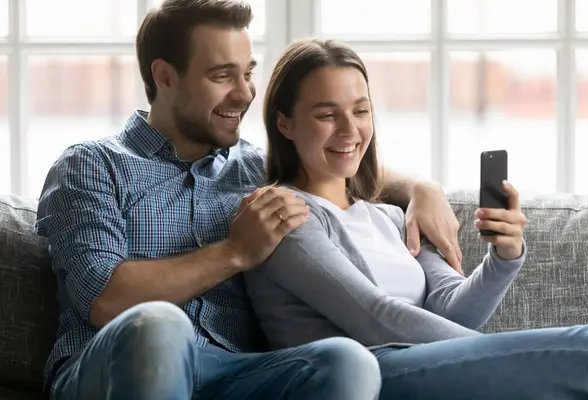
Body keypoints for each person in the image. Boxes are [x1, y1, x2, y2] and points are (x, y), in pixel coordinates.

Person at [34, 1, 464, 399]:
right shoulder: (92, 165)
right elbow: (105, 299)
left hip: (233, 372)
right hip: (111, 369)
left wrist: (422, 190)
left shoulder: (257, 169)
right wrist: (234, 252)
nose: (244, 93)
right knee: (159, 325)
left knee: (344, 359)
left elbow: (343, 162)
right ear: (164, 76)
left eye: (247, 72)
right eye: (222, 76)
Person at [244, 37, 588, 399]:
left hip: (428, 371)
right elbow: (375, 318)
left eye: (361, 111)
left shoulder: (390, 217)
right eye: (327, 114)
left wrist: (504, 258)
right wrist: (511, 356)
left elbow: (454, 310)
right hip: (368, 375)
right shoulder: (282, 215)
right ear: (284, 124)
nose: (350, 130)